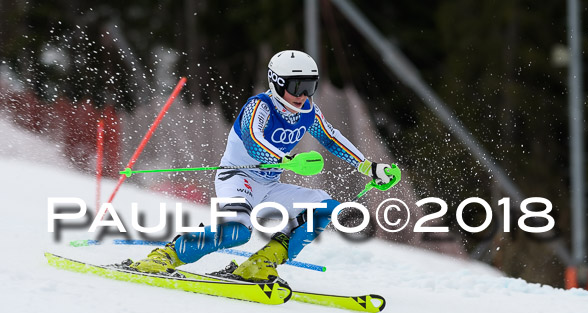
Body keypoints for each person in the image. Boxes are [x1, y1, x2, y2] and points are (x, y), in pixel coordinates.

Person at [131, 50, 392, 282]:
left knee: (325, 208)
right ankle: (166, 256)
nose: (303, 95)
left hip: (268, 185)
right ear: (277, 83)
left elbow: (331, 138)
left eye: (309, 87)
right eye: (297, 86)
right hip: (238, 178)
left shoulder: (308, 111)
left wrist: (369, 167)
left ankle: (259, 264)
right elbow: (254, 141)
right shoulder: (260, 106)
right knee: (236, 233)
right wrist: (287, 160)